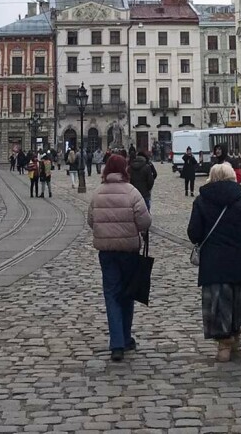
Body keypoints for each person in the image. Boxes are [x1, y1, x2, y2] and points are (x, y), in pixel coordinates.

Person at [188, 161, 241, 363]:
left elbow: (194, 233)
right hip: (239, 262)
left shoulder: (201, 201)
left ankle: (224, 343)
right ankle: (235, 335)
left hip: (213, 263)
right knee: (237, 300)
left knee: (218, 303)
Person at [87, 153, 151, 362]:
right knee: (127, 293)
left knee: (112, 295)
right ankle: (125, 337)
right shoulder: (132, 192)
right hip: (129, 251)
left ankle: (117, 344)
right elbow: (145, 222)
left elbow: (91, 220)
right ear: (125, 169)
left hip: (107, 252)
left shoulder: (98, 193)